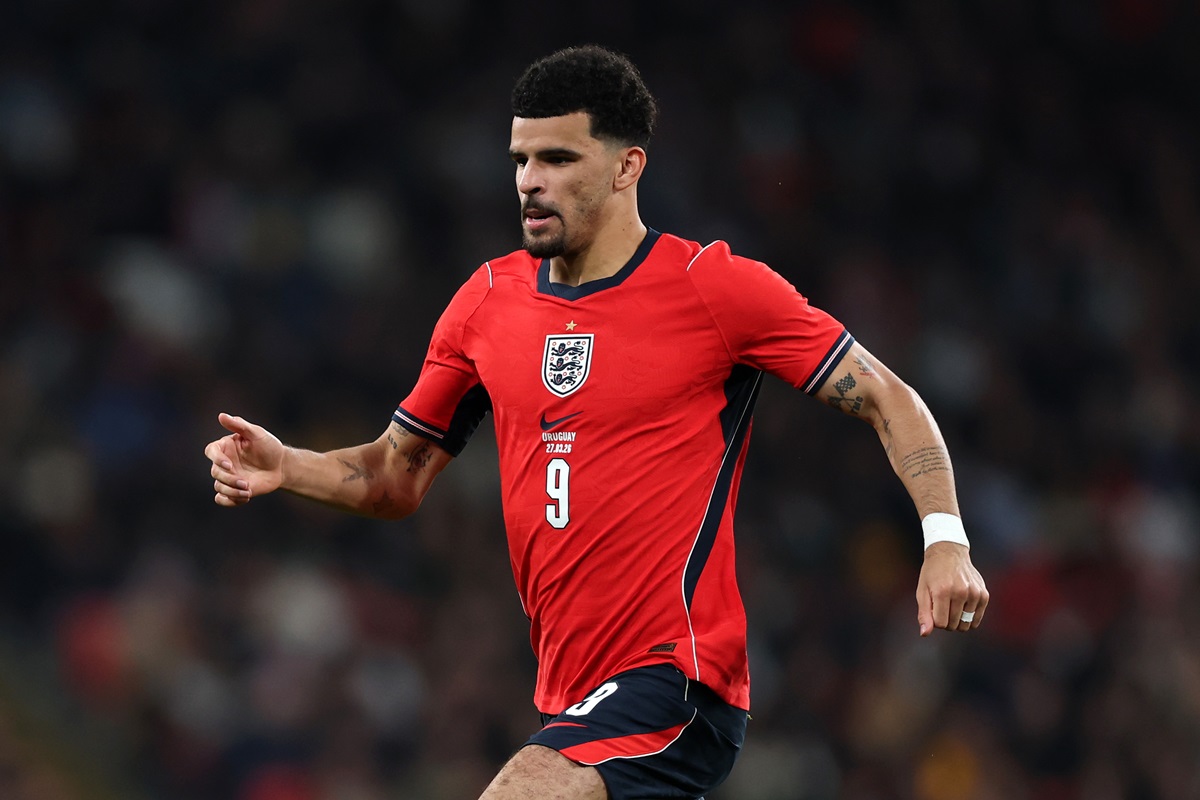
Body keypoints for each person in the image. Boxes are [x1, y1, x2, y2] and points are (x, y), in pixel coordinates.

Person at [206, 45, 989, 800]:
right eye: (521, 160)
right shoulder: (487, 303)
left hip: (677, 680)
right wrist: (289, 466)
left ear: (626, 166)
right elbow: (393, 476)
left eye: (557, 158)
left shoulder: (713, 289)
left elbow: (888, 397)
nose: (530, 180)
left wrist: (945, 541)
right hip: (569, 694)